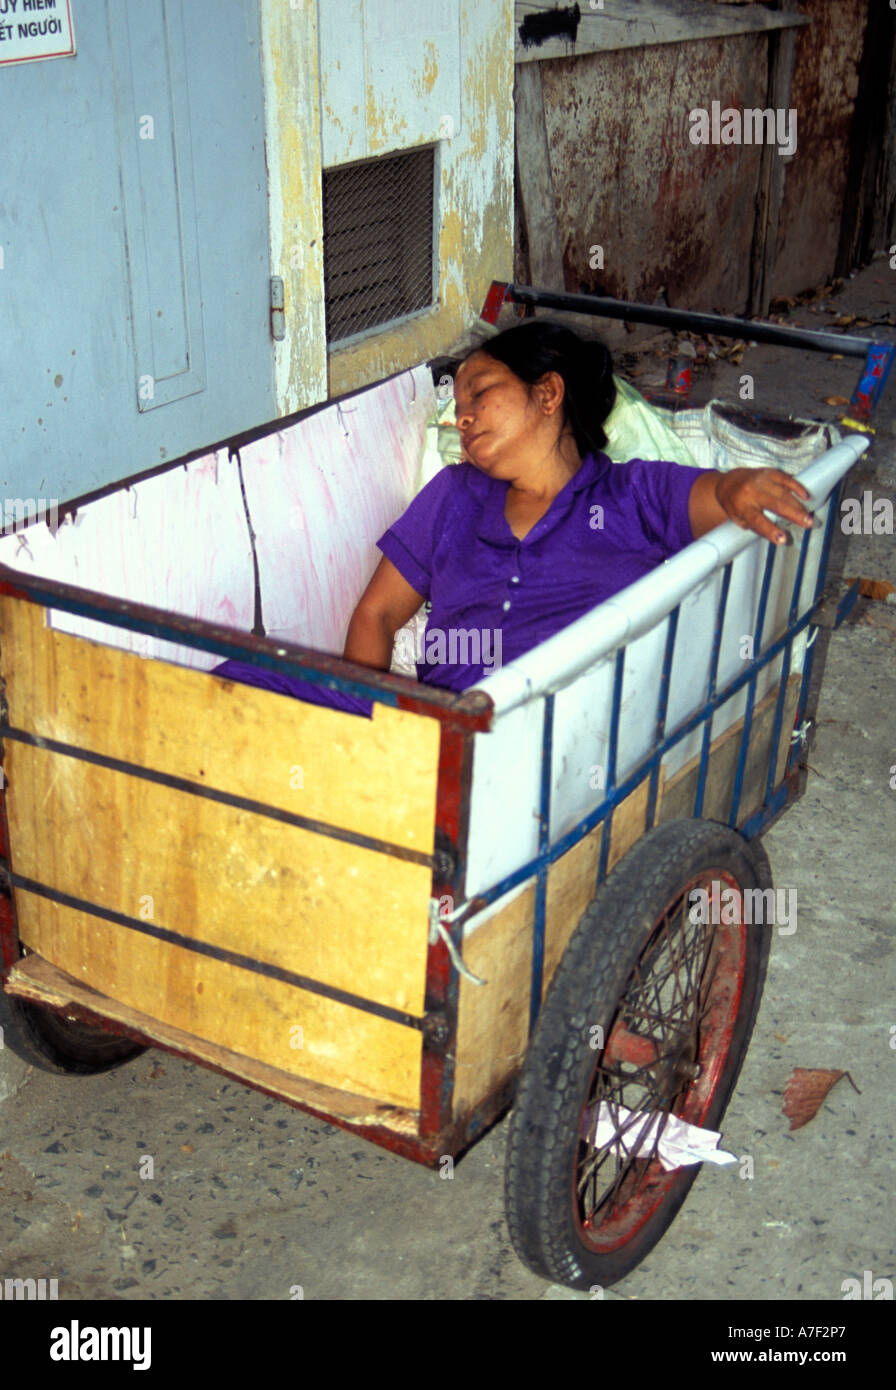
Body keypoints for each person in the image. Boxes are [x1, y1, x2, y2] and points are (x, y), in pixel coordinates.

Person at [215, 321, 813, 713]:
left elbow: (718, 493)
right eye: (456, 406)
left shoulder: (634, 494)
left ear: (547, 395)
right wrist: (363, 712)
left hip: (549, 741)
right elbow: (375, 613)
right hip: (436, 724)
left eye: (480, 393)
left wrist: (741, 485)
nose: (463, 417)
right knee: (233, 677)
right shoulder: (453, 494)